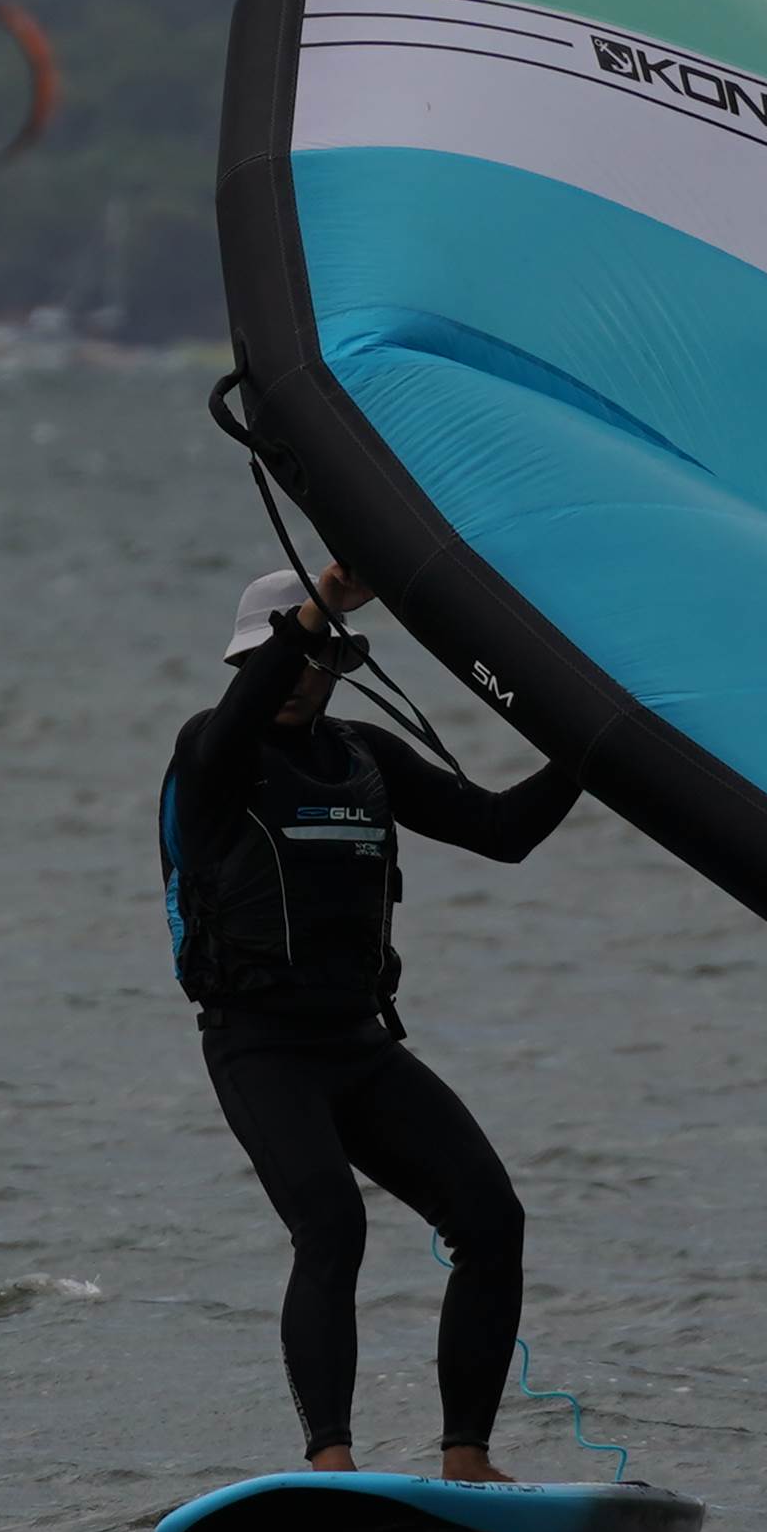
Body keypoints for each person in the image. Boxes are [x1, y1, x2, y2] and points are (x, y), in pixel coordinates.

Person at [161, 563, 580, 1480]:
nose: (311, 673)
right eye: (297, 654)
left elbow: (502, 832)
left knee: (490, 1218)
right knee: (333, 1227)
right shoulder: (212, 751)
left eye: (328, 658)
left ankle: (467, 1457)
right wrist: (316, 608)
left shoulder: (363, 756)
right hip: (260, 1046)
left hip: (359, 1044)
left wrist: (595, 748)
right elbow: (252, 701)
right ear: (257, 657)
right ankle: (332, 1464)